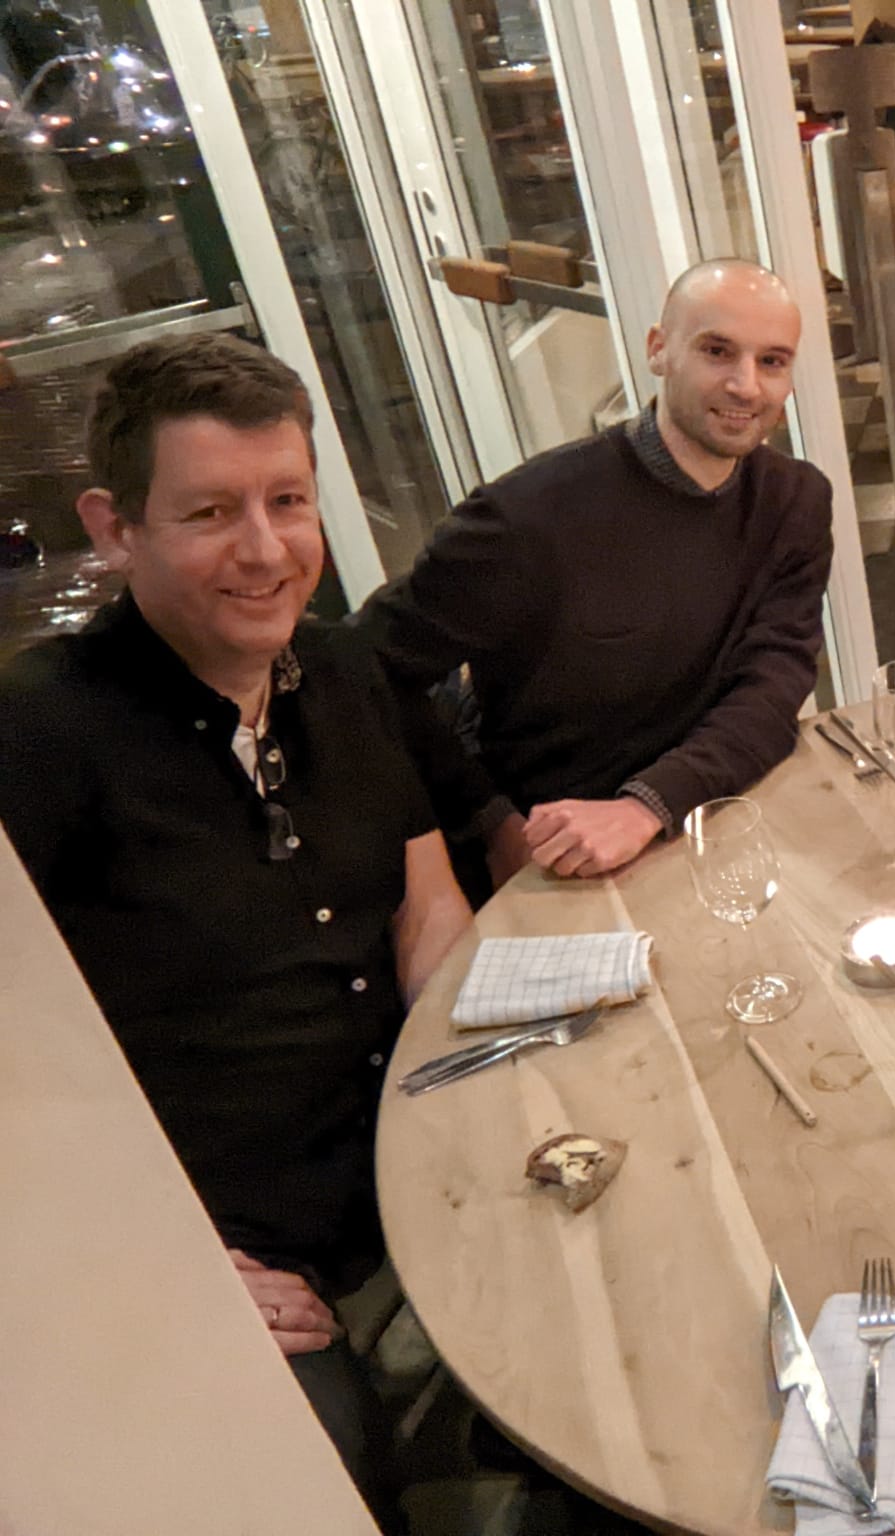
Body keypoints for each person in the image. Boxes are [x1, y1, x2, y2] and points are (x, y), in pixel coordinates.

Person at [0, 333, 473, 1527]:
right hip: (232, 1251)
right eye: (211, 512)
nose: (266, 552)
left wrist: (496, 1075)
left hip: (419, 1164)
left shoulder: (347, 673)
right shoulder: (36, 739)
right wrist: (165, 1265)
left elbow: (427, 911)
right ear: (115, 528)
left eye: (288, 501)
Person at [357, 258, 834, 882]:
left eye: (772, 361)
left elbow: (775, 678)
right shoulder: (526, 518)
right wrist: (490, 821)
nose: (746, 386)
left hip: (706, 812)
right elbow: (368, 671)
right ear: (659, 351)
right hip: (558, 850)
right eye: (718, 351)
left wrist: (649, 805)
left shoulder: (794, 499)